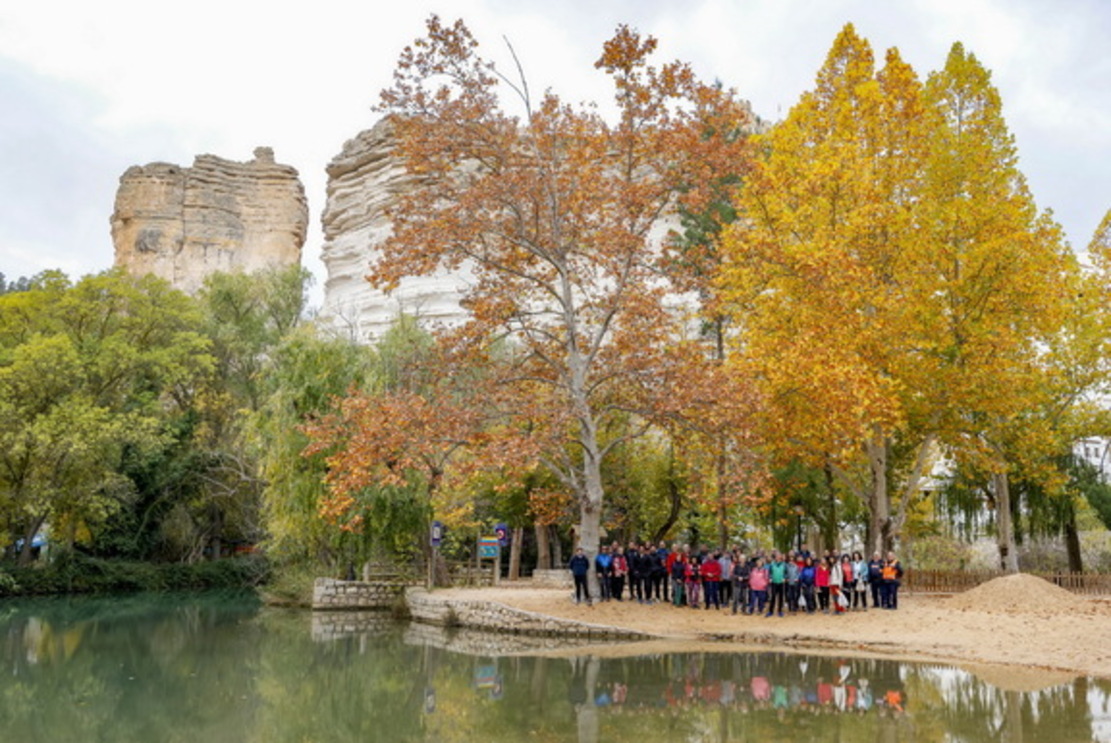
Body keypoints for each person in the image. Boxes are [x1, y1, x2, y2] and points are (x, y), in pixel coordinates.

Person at [766, 550, 786, 617]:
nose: (778, 557)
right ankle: (770, 611)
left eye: (779, 555)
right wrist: (770, 578)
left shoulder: (783, 564)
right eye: (776, 556)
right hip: (774, 582)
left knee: (780, 597)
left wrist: (784, 577)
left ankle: (780, 611)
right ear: (775, 557)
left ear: (780, 557)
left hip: (781, 582)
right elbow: (770, 572)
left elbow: (785, 573)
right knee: (773, 597)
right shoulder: (772, 564)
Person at [731, 550, 750, 614]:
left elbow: (748, 575)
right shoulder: (736, 566)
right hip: (737, 584)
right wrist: (737, 577)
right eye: (741, 559)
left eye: (743, 559)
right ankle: (734, 610)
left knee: (744, 598)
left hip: (744, 584)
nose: (742, 560)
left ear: (745, 560)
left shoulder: (747, 567)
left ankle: (743, 610)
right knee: (735, 598)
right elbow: (733, 574)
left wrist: (744, 578)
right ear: (739, 559)